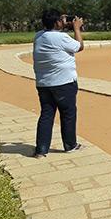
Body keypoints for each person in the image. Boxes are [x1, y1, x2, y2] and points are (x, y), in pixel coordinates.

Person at [32, 10, 84, 158]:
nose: (65, 21)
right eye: (62, 19)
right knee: (68, 114)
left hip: (43, 83)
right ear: (56, 22)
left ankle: (41, 150)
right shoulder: (61, 37)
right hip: (63, 83)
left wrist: (66, 25)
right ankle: (70, 145)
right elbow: (79, 46)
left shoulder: (38, 36)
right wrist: (76, 28)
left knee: (46, 114)